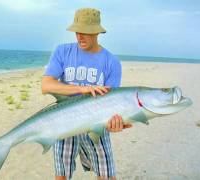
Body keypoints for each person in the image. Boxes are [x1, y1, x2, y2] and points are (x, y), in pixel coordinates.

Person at [41, 8, 132, 180]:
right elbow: (46, 85)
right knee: (61, 175)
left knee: (107, 176)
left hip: (96, 122)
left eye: (86, 32)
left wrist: (117, 123)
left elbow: (111, 103)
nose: (80, 36)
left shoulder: (111, 62)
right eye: (77, 31)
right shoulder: (62, 51)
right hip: (64, 121)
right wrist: (80, 89)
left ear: (97, 31)